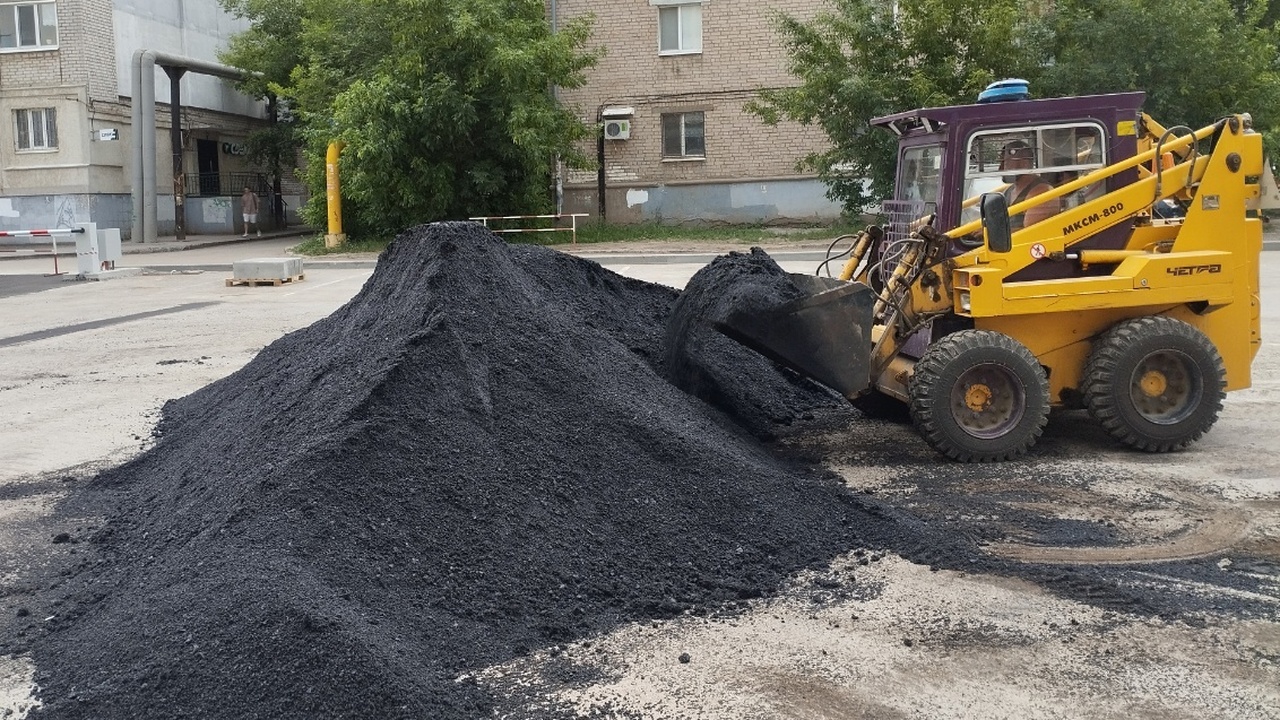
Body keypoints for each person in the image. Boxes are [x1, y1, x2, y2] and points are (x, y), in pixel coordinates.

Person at [1000, 140, 1058, 229]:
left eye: (1007, 163)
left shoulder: (1042, 192)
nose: (1001, 169)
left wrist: (991, 232)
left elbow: (1029, 232)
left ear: (1025, 164)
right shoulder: (1009, 190)